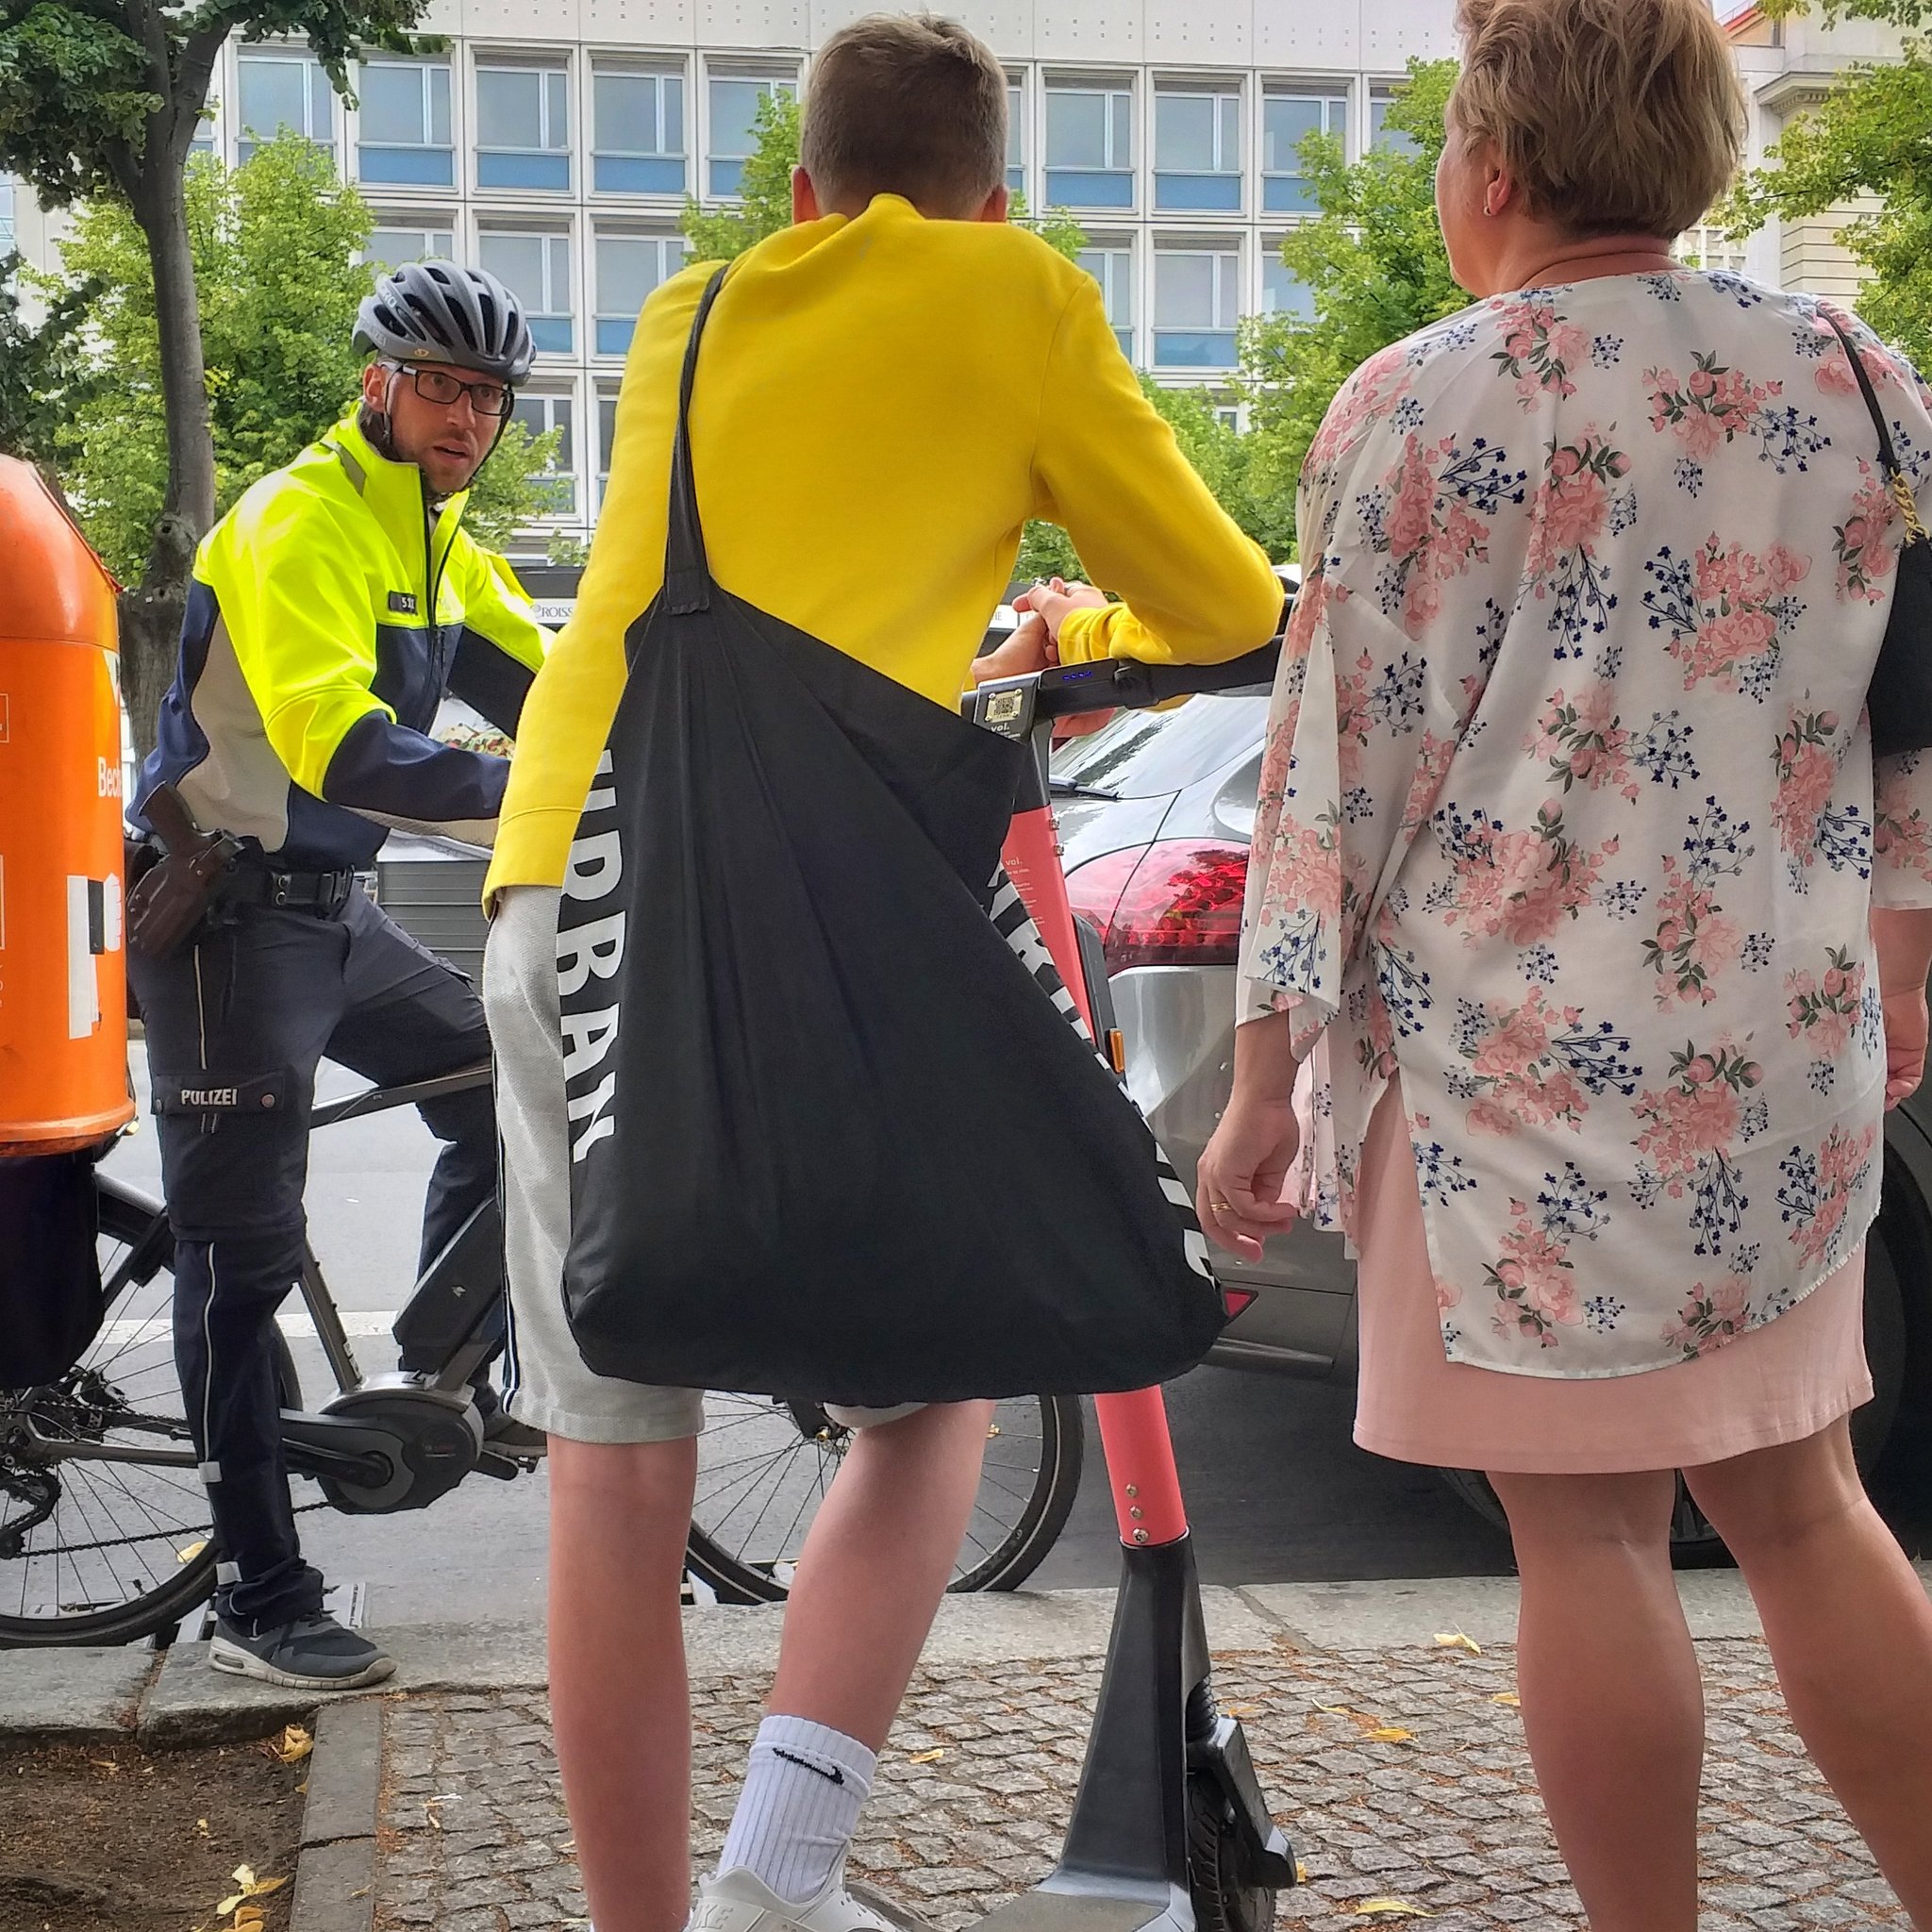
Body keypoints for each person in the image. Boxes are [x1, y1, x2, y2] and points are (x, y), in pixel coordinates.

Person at [479, 15, 1283, 1932]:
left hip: (574, 885)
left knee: (616, 1461)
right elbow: (1229, 602)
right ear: (992, 200)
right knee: (934, 1398)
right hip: (830, 911)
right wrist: (1062, 628)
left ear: (802, 195)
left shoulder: (688, 313)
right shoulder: (1016, 293)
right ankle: (777, 1880)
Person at [1192, 0, 1932, 1924]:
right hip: (1779, 1054)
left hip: (1504, 1084)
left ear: (1498, 168)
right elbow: (1912, 720)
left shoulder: (1415, 403)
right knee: (1809, 1507)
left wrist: (1267, 1076)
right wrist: (1907, 963)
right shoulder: (1851, 374)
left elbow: (1327, 775)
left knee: (1586, 1545)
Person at [127, 261, 550, 1691]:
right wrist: (542, 804)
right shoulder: (298, 522)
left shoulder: (440, 540)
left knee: (502, 1090)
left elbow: (560, 698)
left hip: (332, 912)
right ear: (377, 383)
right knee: (238, 1261)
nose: (466, 417)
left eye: (487, 397)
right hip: (225, 917)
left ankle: (434, 1380)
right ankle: (256, 1592)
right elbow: (347, 752)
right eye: (440, 386)